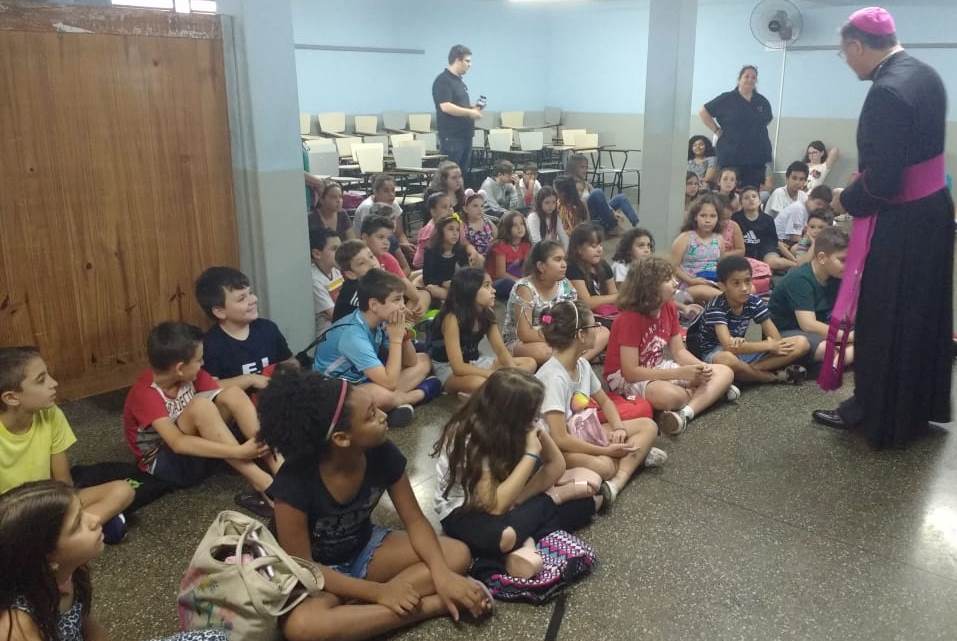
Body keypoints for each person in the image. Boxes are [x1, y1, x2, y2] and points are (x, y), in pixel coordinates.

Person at [257, 373, 491, 641]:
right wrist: (379, 593)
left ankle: (358, 615)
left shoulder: (382, 452)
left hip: (364, 550)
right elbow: (305, 567)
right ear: (342, 438)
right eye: (370, 415)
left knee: (456, 554)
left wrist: (442, 576)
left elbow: (415, 520)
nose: (382, 416)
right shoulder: (293, 483)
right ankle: (430, 606)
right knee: (302, 627)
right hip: (319, 574)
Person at [0, 481, 224, 641]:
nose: (95, 520)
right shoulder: (17, 625)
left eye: (83, 510)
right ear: (47, 559)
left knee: (215, 637)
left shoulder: (69, 573)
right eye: (77, 525)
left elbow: (88, 627)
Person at [433, 369, 599, 578]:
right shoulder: (471, 437)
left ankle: (520, 545)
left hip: (507, 501)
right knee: (506, 537)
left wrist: (519, 499)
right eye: (533, 414)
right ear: (512, 415)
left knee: (585, 503)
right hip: (465, 510)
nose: (537, 418)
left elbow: (556, 465)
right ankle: (550, 503)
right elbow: (494, 506)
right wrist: (531, 455)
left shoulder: (526, 424)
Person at [122, 322, 275, 514]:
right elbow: (177, 443)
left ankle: (282, 470)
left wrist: (250, 378)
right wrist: (239, 452)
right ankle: (264, 482)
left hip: (202, 454)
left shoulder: (190, 375)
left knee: (233, 393)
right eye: (199, 360)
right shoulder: (145, 394)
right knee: (201, 407)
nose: (203, 363)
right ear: (180, 368)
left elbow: (221, 388)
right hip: (167, 466)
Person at [536, 300, 664, 507]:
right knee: (605, 466)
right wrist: (606, 451)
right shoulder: (554, 378)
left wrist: (619, 428)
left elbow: (605, 402)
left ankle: (616, 482)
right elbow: (559, 438)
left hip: (581, 432)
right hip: (555, 448)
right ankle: (631, 461)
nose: (598, 329)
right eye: (594, 325)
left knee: (648, 426)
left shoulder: (582, 364)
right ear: (581, 335)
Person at [0, 348, 133, 543]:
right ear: (11, 398)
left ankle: (62, 536)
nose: (54, 383)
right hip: (10, 515)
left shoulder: (51, 413)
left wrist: (62, 509)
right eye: (41, 380)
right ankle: (73, 534)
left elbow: (64, 484)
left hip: (49, 503)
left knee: (123, 490)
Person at [606, 256, 738, 436]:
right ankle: (709, 394)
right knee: (669, 396)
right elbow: (631, 372)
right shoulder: (629, 319)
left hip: (657, 367)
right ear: (650, 287)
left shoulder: (668, 306)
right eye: (668, 279)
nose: (676, 282)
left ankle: (685, 413)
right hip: (624, 378)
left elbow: (679, 351)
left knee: (724, 371)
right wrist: (680, 373)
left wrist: (702, 368)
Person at [313, 270, 438, 427]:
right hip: (335, 396)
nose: (402, 306)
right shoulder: (352, 336)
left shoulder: (380, 320)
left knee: (423, 360)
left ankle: (386, 408)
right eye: (397, 300)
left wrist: (403, 334)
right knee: (384, 395)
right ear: (373, 305)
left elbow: (411, 362)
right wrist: (395, 339)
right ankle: (417, 395)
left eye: (402, 299)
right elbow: (390, 383)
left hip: (364, 380)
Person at [687, 256, 809, 384]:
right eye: (736, 283)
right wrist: (767, 345)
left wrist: (771, 345)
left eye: (747, 281)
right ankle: (771, 377)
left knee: (801, 343)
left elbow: (776, 339)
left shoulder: (754, 301)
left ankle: (744, 373)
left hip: (743, 350)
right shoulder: (716, 307)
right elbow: (728, 346)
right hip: (716, 353)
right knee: (727, 359)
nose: (744, 288)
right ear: (722, 286)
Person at [429, 269, 536, 395]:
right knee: (479, 383)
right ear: (470, 290)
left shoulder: (488, 313)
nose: (493, 290)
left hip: (475, 362)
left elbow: (501, 350)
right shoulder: (452, 318)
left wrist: (513, 372)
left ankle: (493, 389)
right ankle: (483, 390)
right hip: (449, 369)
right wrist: (493, 374)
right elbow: (458, 367)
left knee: (530, 363)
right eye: (486, 286)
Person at [501, 240, 608, 366]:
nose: (564, 265)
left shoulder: (565, 284)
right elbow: (525, 334)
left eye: (564, 259)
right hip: (528, 342)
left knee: (603, 332)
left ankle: (575, 362)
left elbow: (576, 317)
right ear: (541, 266)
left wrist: (576, 333)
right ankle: (578, 360)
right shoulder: (525, 288)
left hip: (560, 335)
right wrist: (562, 337)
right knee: (544, 351)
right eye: (558, 259)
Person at [195, 267, 297, 393]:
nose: (254, 299)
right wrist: (250, 379)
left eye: (251, 293)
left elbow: (289, 362)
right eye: (241, 298)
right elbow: (209, 388)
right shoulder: (211, 344)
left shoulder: (268, 328)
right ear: (220, 311)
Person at [769, 227, 854, 365]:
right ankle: (839, 360)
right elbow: (808, 324)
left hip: (820, 327)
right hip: (787, 332)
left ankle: (837, 361)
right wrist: (847, 337)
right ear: (822, 258)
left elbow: (845, 313)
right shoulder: (799, 279)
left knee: (872, 333)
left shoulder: (835, 276)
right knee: (828, 348)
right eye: (843, 260)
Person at [700, 65, 774, 190]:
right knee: (729, 190)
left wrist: (753, 130)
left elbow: (768, 118)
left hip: (756, 156)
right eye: (747, 76)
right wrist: (716, 130)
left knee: (750, 191)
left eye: (753, 77)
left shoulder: (762, 101)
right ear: (739, 79)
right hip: (731, 154)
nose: (750, 79)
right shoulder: (727, 98)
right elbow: (703, 111)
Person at [360, 213, 430, 317]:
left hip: (393, 301)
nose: (386, 242)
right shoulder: (358, 261)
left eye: (388, 238)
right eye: (380, 237)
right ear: (365, 238)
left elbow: (411, 291)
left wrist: (413, 302)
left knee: (424, 295)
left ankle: (406, 322)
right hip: (372, 309)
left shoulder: (387, 258)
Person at [432, 45, 482, 177]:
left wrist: (472, 108)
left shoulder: (459, 82)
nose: (470, 65)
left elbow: (459, 105)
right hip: (452, 137)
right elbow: (446, 106)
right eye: (467, 61)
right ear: (457, 60)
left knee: (461, 175)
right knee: (450, 176)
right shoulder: (443, 80)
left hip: (465, 135)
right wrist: (470, 113)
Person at [352, 174, 413, 273]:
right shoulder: (367, 207)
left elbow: (399, 233)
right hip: (367, 246)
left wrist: (405, 245)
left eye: (393, 190)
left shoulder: (392, 203)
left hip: (388, 242)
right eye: (386, 191)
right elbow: (369, 237)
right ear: (375, 192)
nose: (391, 194)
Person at [671, 193, 724, 303]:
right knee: (719, 295)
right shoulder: (685, 238)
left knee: (747, 289)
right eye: (703, 216)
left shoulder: (719, 239)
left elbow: (721, 265)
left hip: (713, 282)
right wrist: (691, 280)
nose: (708, 220)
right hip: (689, 285)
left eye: (713, 216)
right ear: (695, 217)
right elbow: (673, 267)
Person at [565, 154, 639, 230]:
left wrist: (612, 212)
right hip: (588, 218)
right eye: (582, 167)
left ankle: (637, 224)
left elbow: (603, 202)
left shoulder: (586, 184)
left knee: (621, 198)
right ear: (573, 168)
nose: (585, 170)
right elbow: (576, 206)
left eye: (586, 167)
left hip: (600, 213)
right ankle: (613, 226)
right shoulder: (569, 185)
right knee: (597, 192)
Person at [733, 185, 798, 272]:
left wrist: (793, 259)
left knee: (773, 262)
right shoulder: (735, 219)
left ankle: (797, 266)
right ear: (741, 203)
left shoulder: (768, 219)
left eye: (754, 196)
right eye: (746, 198)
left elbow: (776, 242)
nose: (751, 199)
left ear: (760, 201)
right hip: (745, 251)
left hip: (766, 250)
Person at [565, 223, 618, 319]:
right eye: (594, 246)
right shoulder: (572, 268)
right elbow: (587, 302)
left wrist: (615, 298)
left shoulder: (604, 265)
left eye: (600, 245)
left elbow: (614, 293)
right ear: (578, 249)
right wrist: (616, 297)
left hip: (606, 314)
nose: (599, 250)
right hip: (584, 318)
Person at [423, 215, 472, 304]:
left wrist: (455, 283)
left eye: (457, 230)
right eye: (450, 229)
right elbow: (427, 279)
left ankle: (457, 299)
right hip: (440, 287)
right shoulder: (431, 252)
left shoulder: (461, 251)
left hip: (457, 286)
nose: (455, 233)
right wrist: (443, 283)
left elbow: (467, 274)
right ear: (441, 231)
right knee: (431, 289)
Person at [486, 210, 532, 301]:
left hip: (518, 280)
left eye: (522, 224)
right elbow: (501, 274)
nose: (520, 228)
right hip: (498, 282)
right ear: (507, 228)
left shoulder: (526, 245)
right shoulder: (500, 246)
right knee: (508, 283)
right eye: (515, 225)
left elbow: (527, 268)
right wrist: (521, 282)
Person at [332, 240, 379, 322]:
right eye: (361, 263)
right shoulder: (355, 290)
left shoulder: (375, 280)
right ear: (351, 274)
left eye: (371, 256)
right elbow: (378, 310)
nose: (372, 263)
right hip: (348, 329)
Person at [310, 228, 343, 336]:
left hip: (341, 328)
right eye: (334, 249)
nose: (340, 253)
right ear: (317, 253)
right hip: (326, 335)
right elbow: (335, 315)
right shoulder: (314, 280)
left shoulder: (335, 270)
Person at [461, 190, 496, 258]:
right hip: (474, 257)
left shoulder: (487, 222)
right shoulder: (464, 225)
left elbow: (497, 236)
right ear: (465, 209)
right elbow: (464, 243)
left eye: (482, 206)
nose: (480, 209)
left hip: (491, 255)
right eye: (475, 206)